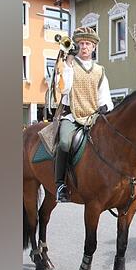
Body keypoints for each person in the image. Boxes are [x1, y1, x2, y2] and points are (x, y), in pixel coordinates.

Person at [53, 26, 113, 202]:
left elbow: (105, 97)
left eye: (88, 43)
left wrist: (106, 108)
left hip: (93, 116)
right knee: (64, 142)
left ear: (94, 47)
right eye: (81, 43)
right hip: (72, 116)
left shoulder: (100, 70)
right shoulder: (68, 65)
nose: (84, 46)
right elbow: (65, 88)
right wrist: (69, 62)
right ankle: (60, 185)